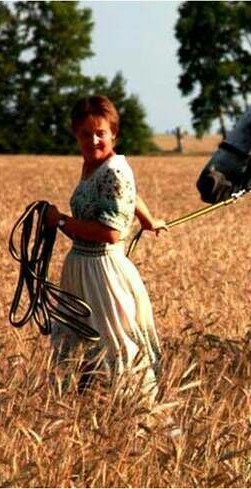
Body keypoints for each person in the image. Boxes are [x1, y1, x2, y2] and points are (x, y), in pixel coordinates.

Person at [45, 95, 166, 405]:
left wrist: (61, 221)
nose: (94, 140)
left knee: (116, 349)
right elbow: (128, 196)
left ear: (114, 134)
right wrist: (148, 220)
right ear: (76, 135)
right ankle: (82, 414)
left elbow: (111, 233)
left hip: (103, 273)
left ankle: (135, 417)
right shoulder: (94, 165)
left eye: (100, 133)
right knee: (81, 351)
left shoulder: (113, 170)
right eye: (85, 134)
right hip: (82, 268)